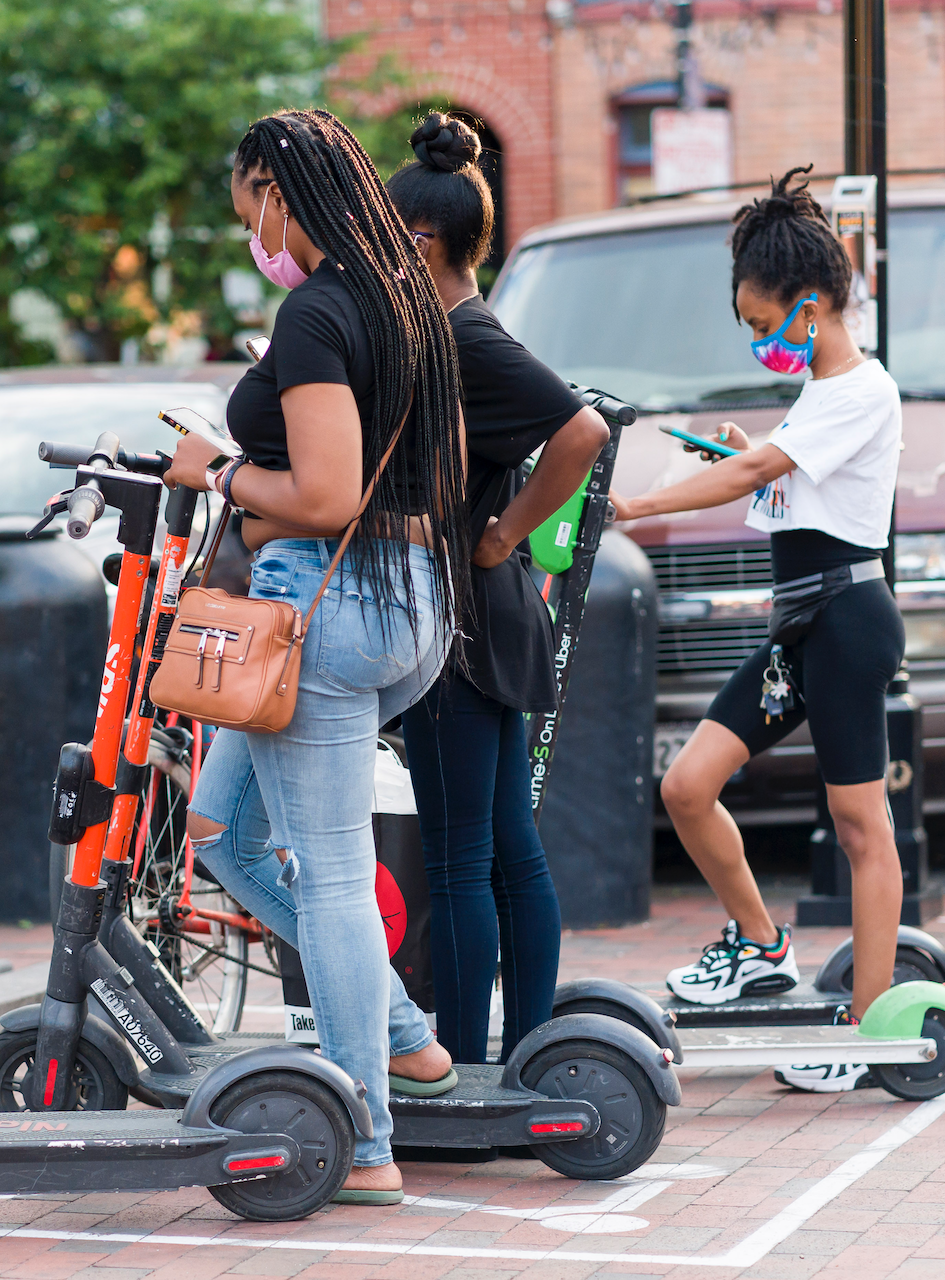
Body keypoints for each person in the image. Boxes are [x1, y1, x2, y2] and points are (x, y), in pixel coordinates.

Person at [163, 109, 467, 1203]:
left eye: (248, 203)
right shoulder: (411, 307)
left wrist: (218, 471)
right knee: (225, 831)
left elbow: (327, 494)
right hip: (408, 604)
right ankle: (401, 1031)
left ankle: (366, 1139)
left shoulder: (318, 312)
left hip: (313, 613)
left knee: (331, 874)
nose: (248, 225)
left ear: (278, 192)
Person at [610, 165, 905, 1092]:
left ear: (808, 308)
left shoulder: (860, 390)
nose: (754, 340)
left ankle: (865, 1028)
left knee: (862, 828)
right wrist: (753, 459)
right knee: (690, 785)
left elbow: (754, 483)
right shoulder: (818, 397)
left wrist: (643, 502)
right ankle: (763, 943)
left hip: (849, 623)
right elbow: (776, 481)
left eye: (758, 322)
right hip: (803, 629)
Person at [384, 113, 611, 1066]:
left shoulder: (465, 339)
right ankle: (526, 1055)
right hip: (494, 618)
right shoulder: (454, 335)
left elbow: (584, 431)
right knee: (506, 849)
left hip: (469, 619)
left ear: (421, 241)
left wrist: (501, 534)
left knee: (460, 858)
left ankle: (472, 1066)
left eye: (386, 241)